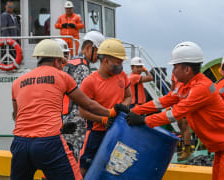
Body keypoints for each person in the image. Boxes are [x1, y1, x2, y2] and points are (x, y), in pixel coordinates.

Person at [126, 41, 224, 180]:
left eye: (175, 66)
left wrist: (145, 120)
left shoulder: (201, 88)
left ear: (187, 70)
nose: (173, 71)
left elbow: (174, 113)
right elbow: (164, 101)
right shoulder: (186, 86)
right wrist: (134, 111)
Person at [10, 39, 118, 180]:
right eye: (62, 62)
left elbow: (17, 116)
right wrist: (110, 112)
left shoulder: (17, 82)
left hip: (20, 144)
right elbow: (88, 104)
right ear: (56, 61)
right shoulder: (62, 76)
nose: (62, 66)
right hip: (49, 142)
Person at [79, 38, 132, 177]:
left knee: (116, 166)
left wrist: (122, 107)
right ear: (106, 60)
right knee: (85, 164)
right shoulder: (90, 82)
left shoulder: (122, 76)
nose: (120, 66)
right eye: (118, 62)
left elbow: (128, 96)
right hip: (96, 132)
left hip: (119, 130)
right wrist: (102, 119)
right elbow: (83, 112)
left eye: (121, 62)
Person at [61, 31, 105, 160]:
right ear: (88, 48)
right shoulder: (82, 68)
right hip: (75, 123)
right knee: (73, 160)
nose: (99, 57)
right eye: (97, 52)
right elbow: (84, 99)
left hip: (64, 118)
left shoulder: (71, 63)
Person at [171, 73, 192, 161]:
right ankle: (184, 147)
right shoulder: (174, 73)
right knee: (180, 126)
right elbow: (173, 87)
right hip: (178, 102)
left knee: (185, 125)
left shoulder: (189, 71)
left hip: (186, 102)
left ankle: (187, 150)